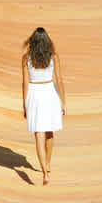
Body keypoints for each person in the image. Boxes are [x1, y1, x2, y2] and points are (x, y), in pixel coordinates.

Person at [21, 26, 64, 185]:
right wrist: (63, 101)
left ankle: (45, 172)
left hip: (34, 94)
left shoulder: (26, 58)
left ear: (32, 41)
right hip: (50, 93)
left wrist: (24, 104)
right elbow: (59, 80)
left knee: (38, 134)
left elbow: (25, 83)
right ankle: (48, 163)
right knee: (49, 131)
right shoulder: (54, 57)